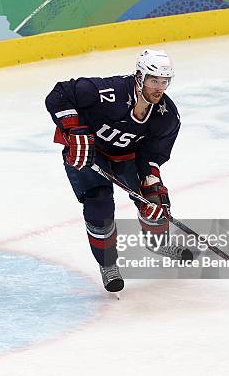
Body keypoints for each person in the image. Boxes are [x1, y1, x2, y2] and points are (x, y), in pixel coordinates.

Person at [45, 49, 187, 293]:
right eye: (154, 80)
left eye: (165, 82)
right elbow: (59, 94)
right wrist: (73, 130)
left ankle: (158, 242)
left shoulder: (167, 116)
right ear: (140, 77)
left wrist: (151, 182)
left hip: (129, 157)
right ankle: (108, 264)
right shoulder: (108, 92)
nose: (159, 88)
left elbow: (152, 154)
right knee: (99, 205)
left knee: (154, 201)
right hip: (89, 153)